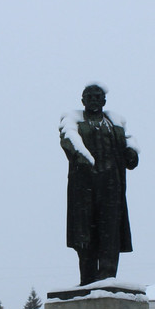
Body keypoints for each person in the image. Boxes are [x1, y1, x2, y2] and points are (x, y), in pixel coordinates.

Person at [59, 84, 139, 285]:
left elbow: (130, 145)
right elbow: (69, 140)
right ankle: (87, 278)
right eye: (89, 96)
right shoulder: (73, 120)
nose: (94, 99)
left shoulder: (115, 122)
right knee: (85, 234)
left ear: (104, 100)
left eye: (98, 96)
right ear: (82, 100)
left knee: (110, 231)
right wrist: (82, 157)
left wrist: (131, 153)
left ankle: (107, 276)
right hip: (84, 187)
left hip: (111, 186)